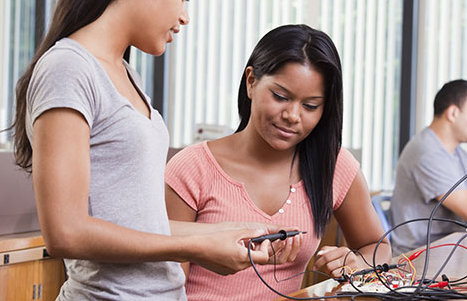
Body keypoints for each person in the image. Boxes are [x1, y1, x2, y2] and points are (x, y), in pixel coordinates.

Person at [10, 0, 287, 300]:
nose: (185, 16)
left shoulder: (128, 76)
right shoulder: (68, 68)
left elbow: (140, 226)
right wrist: (196, 251)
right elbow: (67, 232)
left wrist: (232, 232)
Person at [165, 24, 392, 300]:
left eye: (310, 106)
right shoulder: (192, 167)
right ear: (251, 82)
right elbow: (166, 285)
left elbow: (376, 247)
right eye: (280, 97)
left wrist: (358, 263)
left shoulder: (332, 165)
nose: (293, 116)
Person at [390, 79, 467, 255]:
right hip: (420, 259)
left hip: (448, 251)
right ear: (453, 113)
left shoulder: (458, 154)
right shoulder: (427, 152)